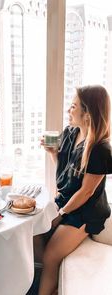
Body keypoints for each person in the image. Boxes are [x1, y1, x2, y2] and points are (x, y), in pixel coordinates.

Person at [38, 85, 112, 295]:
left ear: (87, 114)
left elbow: (86, 192)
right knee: (33, 233)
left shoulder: (100, 149)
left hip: (85, 212)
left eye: (73, 107)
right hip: (67, 201)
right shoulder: (71, 132)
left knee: (51, 255)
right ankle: (52, 285)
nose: (68, 111)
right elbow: (65, 175)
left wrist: (60, 214)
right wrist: (53, 153)